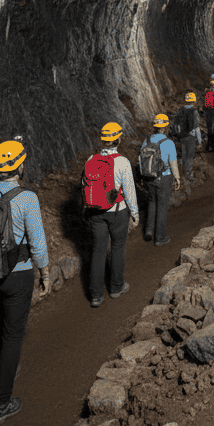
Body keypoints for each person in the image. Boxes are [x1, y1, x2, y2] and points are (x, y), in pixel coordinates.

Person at [0, 139, 50, 426]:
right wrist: (45, 272)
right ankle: (0, 404)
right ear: (19, 166)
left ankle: (3, 367)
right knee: (13, 335)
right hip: (18, 274)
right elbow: (37, 243)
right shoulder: (26, 197)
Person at [86, 122, 138, 308]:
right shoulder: (122, 162)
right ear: (119, 139)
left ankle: (95, 296)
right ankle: (116, 287)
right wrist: (135, 213)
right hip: (117, 211)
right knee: (118, 247)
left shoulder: (91, 159)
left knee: (98, 251)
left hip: (95, 212)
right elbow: (130, 191)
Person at [141, 113, 180, 245]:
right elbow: (173, 162)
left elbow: (139, 160)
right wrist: (177, 178)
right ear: (165, 127)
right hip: (164, 178)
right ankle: (160, 238)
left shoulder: (146, 140)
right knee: (162, 207)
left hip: (149, 177)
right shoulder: (168, 143)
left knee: (152, 203)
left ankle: (149, 230)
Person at [171, 92, 202, 181]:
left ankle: (184, 172)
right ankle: (188, 174)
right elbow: (196, 128)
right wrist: (199, 141)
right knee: (190, 156)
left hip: (181, 136)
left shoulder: (180, 110)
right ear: (194, 101)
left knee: (184, 155)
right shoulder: (194, 111)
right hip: (190, 137)